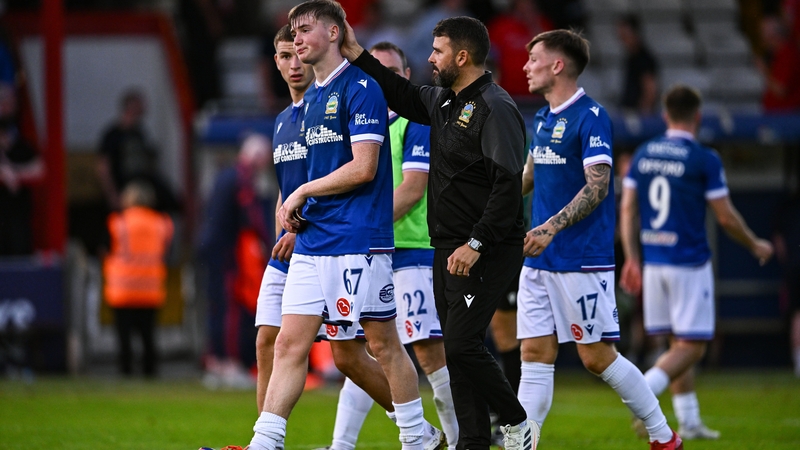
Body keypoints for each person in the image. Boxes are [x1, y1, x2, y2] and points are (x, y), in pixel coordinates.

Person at [248, 3, 439, 450]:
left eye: (305, 29)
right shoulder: (308, 100)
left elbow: (365, 167)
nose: (295, 40)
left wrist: (300, 194)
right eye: (291, 33)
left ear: (335, 32)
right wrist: (296, 210)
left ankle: (417, 438)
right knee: (287, 344)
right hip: (314, 243)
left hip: (359, 240)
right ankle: (265, 441)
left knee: (382, 343)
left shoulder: (363, 87)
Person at [341, 15, 537, 450]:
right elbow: (402, 93)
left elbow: (508, 187)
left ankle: (517, 421)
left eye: (438, 51)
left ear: (462, 56)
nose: (430, 58)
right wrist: (356, 53)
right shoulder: (445, 101)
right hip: (447, 246)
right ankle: (472, 442)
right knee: (456, 349)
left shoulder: (496, 107)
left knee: (464, 344)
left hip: (486, 247)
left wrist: (477, 243)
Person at [516, 29, 681, 449]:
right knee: (533, 354)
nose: (525, 66)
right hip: (539, 261)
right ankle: (524, 443)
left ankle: (664, 437)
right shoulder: (542, 117)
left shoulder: (591, 116)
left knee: (595, 357)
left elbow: (598, 186)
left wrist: (551, 227)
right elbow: (529, 178)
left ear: (558, 65)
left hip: (580, 258)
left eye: (533, 58)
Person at [314, 41, 459, 450]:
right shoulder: (358, 118)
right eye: (373, 69)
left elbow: (412, 189)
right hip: (367, 250)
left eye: (390, 70)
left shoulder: (416, 123)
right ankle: (342, 444)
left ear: (405, 77)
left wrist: (358, 226)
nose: (380, 76)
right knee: (359, 350)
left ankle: (461, 440)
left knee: (429, 352)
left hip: (411, 250)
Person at [620, 85, 775, 440]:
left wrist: (632, 257)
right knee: (693, 346)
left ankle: (688, 421)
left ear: (665, 116)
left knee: (677, 343)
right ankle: (641, 391)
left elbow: (627, 207)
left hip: (654, 261)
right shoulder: (704, 158)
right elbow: (726, 218)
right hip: (688, 264)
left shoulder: (644, 153)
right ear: (698, 117)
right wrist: (754, 244)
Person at [197, 133, 275, 390]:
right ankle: (228, 363)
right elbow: (252, 217)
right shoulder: (241, 179)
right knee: (229, 309)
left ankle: (215, 361)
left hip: (212, 251)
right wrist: (272, 243)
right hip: (226, 254)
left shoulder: (225, 174)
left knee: (216, 307)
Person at [103, 181, 174, 377]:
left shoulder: (117, 222)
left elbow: (106, 250)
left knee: (123, 336)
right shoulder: (162, 223)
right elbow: (168, 253)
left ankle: (125, 371)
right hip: (151, 287)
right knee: (148, 334)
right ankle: (150, 371)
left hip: (122, 288)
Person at [96, 88, 178, 212]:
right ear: (130, 107)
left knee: (172, 202)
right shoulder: (113, 135)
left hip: (143, 183)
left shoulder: (139, 133)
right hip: (126, 187)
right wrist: (112, 195)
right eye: (139, 105)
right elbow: (103, 167)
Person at [0, 83, 44, 256]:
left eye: (11, 102)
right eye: (2, 102)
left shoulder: (22, 143)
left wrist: (14, 172)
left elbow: (39, 167)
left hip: (18, 219)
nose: (7, 107)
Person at [773, 190, 800, 377]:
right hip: (795, 266)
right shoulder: (789, 206)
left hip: (794, 266)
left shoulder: (789, 206)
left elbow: (779, 244)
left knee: (798, 314)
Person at [616, 14, 659, 115]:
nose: (622, 40)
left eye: (625, 35)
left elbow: (650, 90)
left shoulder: (643, 59)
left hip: (637, 116)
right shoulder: (630, 58)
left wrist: (643, 116)